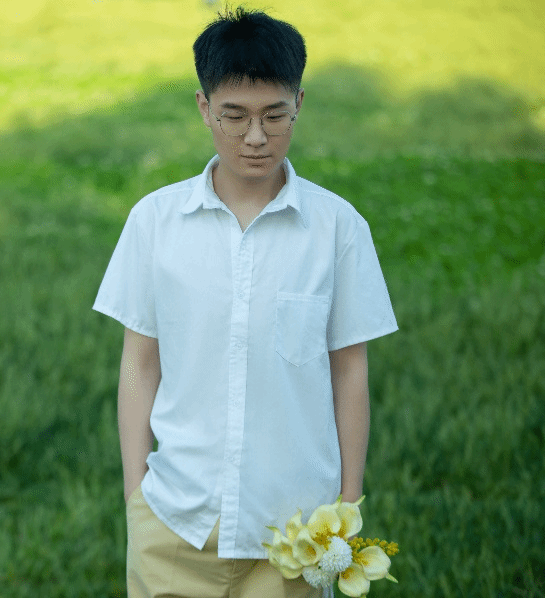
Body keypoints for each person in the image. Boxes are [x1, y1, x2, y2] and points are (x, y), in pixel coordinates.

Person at [93, 4, 398, 598]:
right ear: (204, 107)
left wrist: (347, 506)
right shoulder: (155, 221)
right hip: (174, 522)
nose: (255, 137)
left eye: (274, 115)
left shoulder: (338, 228)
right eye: (234, 116)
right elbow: (140, 362)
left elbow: (349, 370)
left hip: (296, 534)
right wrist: (136, 498)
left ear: (299, 104)